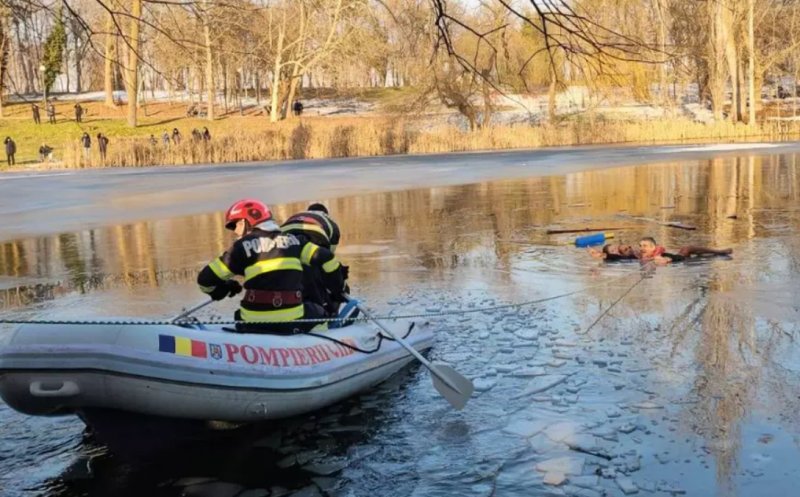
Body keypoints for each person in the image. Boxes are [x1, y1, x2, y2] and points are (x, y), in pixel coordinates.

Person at [197, 199, 345, 334]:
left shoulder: (240, 248)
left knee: (241, 313)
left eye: (236, 225)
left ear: (246, 222)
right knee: (319, 312)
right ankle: (323, 342)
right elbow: (328, 260)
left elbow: (204, 281)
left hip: (251, 323)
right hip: (291, 322)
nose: (235, 231)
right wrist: (337, 290)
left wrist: (223, 289)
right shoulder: (296, 242)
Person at [281, 203, 345, 315]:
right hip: (316, 236)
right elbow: (329, 259)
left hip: (284, 237)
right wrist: (337, 287)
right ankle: (326, 310)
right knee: (317, 271)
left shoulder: (298, 215)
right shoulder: (331, 223)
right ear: (326, 213)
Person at [638, 237, 732, 264]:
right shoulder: (641, 255)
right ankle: (699, 253)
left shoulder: (657, 254)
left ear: (653, 248)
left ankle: (719, 252)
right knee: (689, 249)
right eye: (640, 246)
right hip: (677, 258)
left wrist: (658, 259)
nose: (642, 248)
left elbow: (665, 260)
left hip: (681, 257)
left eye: (645, 246)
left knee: (687, 248)